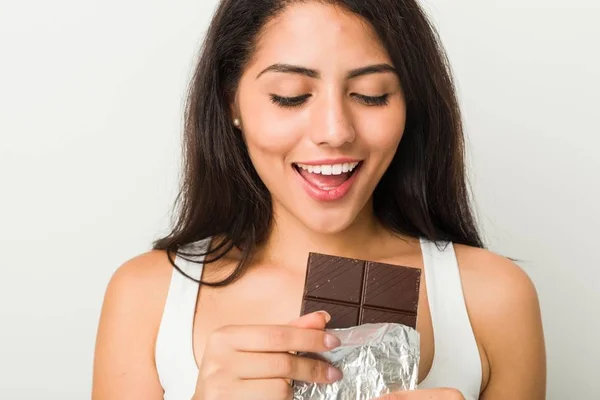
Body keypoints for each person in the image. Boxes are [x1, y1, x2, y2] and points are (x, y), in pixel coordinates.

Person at [92, 0, 546, 399]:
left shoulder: (493, 298)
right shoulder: (146, 296)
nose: (335, 131)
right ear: (231, 101)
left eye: (371, 96)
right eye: (290, 97)